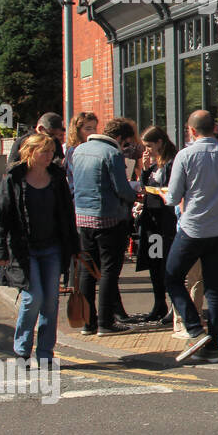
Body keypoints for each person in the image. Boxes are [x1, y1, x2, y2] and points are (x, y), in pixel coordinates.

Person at [166, 109, 218, 364]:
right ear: (214, 128)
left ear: (191, 130)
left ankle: (194, 328)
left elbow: (172, 196)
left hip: (192, 229)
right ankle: (213, 345)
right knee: (214, 287)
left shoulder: (185, 155)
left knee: (172, 278)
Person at [0, 134, 79, 364]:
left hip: (52, 247)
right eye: (44, 151)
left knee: (50, 301)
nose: (50, 156)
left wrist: (75, 247)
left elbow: (67, 215)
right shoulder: (14, 178)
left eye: (51, 151)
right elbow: (1, 216)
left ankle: (45, 354)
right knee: (33, 299)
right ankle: (22, 350)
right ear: (30, 153)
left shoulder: (57, 177)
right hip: (23, 249)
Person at [70, 118, 138, 336]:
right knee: (109, 271)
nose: (125, 148)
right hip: (108, 219)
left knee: (88, 271)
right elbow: (122, 189)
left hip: (82, 218)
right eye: (126, 143)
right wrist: (136, 194)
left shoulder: (79, 151)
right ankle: (105, 322)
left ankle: (87, 323)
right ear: (119, 138)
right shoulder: (112, 154)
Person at [135, 126, 178, 323]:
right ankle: (159, 303)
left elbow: (171, 190)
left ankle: (173, 305)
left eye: (149, 146)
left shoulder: (172, 163)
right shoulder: (153, 165)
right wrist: (144, 170)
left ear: (160, 143)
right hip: (152, 221)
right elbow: (145, 188)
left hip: (166, 222)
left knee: (166, 264)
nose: (147, 150)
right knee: (154, 262)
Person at [64, 112, 99, 193]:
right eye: (88, 129)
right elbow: (81, 175)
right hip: (78, 196)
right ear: (78, 131)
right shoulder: (73, 151)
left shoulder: (95, 148)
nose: (93, 132)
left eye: (95, 128)